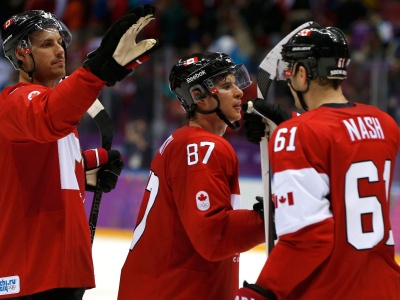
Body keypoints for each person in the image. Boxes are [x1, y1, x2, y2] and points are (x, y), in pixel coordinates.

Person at [0, 5, 158, 299]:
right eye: (47, 44)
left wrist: (87, 168)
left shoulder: (56, 109)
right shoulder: (15, 101)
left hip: (64, 267)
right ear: (22, 53)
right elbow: (48, 118)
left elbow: (43, 167)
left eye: (60, 42)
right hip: (31, 271)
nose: (60, 50)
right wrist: (99, 69)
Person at [236, 24, 400, 299]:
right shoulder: (384, 124)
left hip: (330, 289)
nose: (288, 80)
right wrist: (287, 124)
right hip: (386, 287)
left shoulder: (295, 134)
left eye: (290, 71)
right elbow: (341, 143)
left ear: (303, 73)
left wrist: (263, 291)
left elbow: (308, 237)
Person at [117, 52, 265, 299]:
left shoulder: (183, 141)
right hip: (175, 291)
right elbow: (213, 237)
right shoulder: (203, 147)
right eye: (226, 85)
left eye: (236, 84)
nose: (239, 92)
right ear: (199, 96)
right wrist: (270, 221)